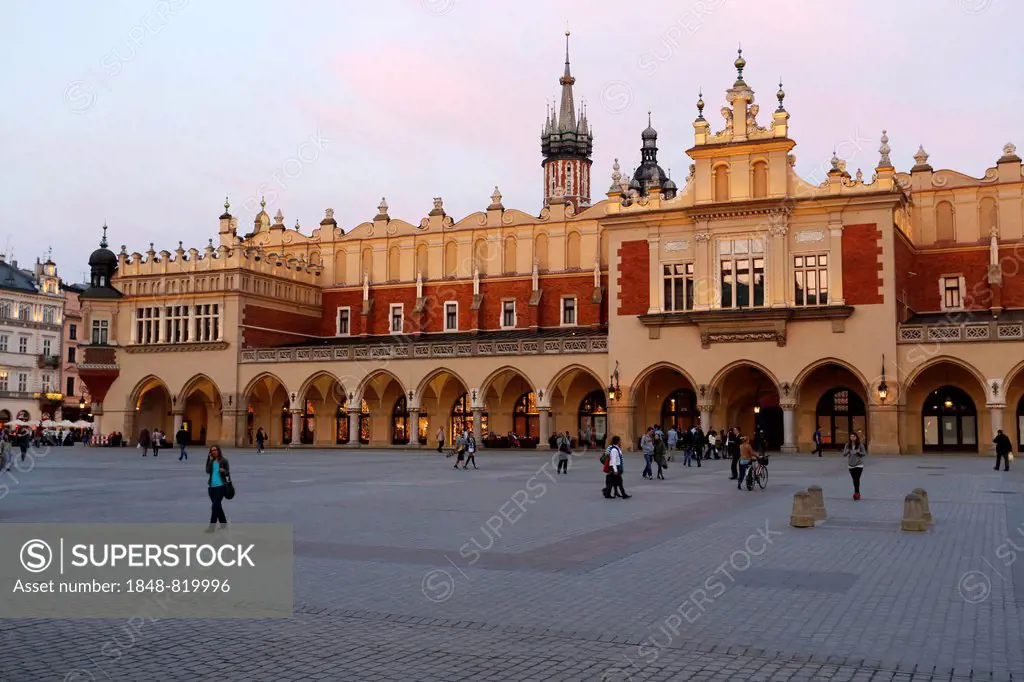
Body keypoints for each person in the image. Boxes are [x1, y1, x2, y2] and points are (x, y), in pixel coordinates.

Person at [205, 445, 230, 532]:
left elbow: (227, 473)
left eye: (215, 450)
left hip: (221, 486)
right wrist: (210, 460)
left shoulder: (224, 460)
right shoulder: (211, 461)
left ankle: (211, 527)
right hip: (211, 487)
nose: (214, 452)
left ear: (219, 450)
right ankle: (223, 522)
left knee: (214, 506)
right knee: (217, 506)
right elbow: (208, 471)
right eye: (212, 450)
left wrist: (224, 471)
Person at [842, 432, 867, 500]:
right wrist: (848, 451)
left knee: (857, 478)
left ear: (856, 437)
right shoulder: (847, 445)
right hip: (851, 465)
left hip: (859, 465)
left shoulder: (860, 445)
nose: (852, 438)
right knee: (854, 479)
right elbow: (844, 454)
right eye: (851, 436)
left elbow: (864, 453)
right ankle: (856, 492)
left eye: (854, 436)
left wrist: (859, 452)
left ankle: (857, 493)